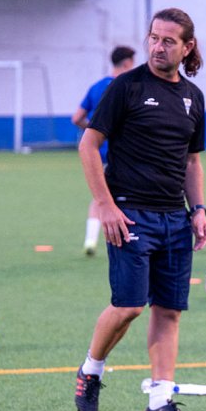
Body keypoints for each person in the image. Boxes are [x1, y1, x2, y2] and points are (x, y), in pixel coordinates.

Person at [73, 9, 206, 411]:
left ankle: (159, 403)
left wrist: (199, 210)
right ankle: (90, 371)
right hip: (129, 214)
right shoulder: (125, 87)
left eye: (169, 40)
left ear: (186, 47)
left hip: (175, 218)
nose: (157, 46)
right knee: (129, 306)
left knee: (168, 311)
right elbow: (88, 145)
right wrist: (106, 206)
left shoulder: (193, 96)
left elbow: (191, 162)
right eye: (153, 37)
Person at [73, 45, 137, 255]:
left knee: (100, 194)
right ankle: (131, 240)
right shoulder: (129, 86)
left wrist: (97, 130)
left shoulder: (97, 86)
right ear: (127, 63)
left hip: (98, 152)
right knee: (128, 196)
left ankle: (91, 240)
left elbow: (77, 118)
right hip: (123, 153)